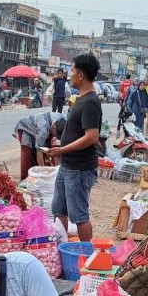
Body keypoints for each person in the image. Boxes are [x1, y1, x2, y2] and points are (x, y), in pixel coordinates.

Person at [45, 53, 102, 242]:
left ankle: (87, 256)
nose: (69, 75)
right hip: (68, 165)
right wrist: (61, 147)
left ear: (81, 76)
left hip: (79, 168)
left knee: (78, 215)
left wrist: (62, 150)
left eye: (72, 71)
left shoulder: (91, 101)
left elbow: (91, 137)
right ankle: (60, 248)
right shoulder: (80, 99)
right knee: (59, 209)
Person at [14, 111, 66, 180]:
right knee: (27, 155)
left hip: (39, 128)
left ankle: (35, 175)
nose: (55, 136)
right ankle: (24, 180)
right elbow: (39, 151)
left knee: (50, 149)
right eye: (55, 134)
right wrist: (42, 172)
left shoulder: (63, 119)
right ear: (53, 127)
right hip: (25, 128)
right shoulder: (43, 130)